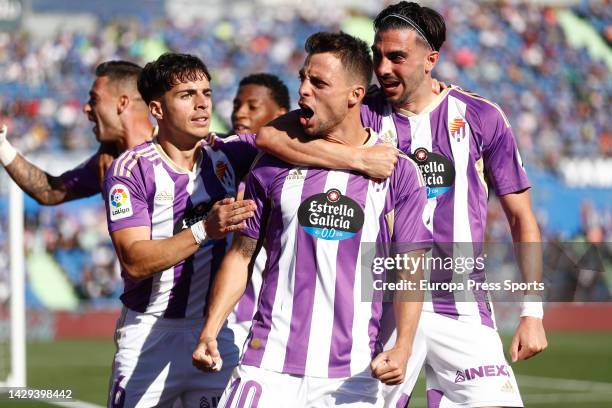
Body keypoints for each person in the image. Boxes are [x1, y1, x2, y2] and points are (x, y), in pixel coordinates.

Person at [255, 2, 547, 407]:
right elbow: (269, 138)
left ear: (431, 59)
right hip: (382, 309)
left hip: (462, 306)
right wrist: (356, 158)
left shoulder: (481, 116)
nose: (383, 67)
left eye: (397, 57)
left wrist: (533, 310)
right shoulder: (363, 111)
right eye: (378, 55)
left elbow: (522, 220)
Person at [192, 31, 432, 407]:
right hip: (266, 364)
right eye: (303, 78)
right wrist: (210, 329)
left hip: (350, 376)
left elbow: (410, 268)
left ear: (355, 95)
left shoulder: (397, 171)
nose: (303, 90)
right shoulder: (272, 165)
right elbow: (241, 255)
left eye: (319, 83)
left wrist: (402, 346)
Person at [103, 53, 259, 408]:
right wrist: (205, 230)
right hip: (149, 334)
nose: (203, 103)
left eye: (206, 92)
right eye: (187, 95)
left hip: (214, 330)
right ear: (156, 109)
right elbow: (135, 261)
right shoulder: (130, 170)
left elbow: (284, 136)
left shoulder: (227, 154)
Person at [0, 61, 154, 203]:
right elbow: (50, 191)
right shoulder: (109, 160)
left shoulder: (172, 153)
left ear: (122, 103)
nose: (85, 108)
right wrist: (2, 146)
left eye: (94, 100)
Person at [228, 73, 291, 352]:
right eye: (236, 105)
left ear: (281, 115)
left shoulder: (296, 171)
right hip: (224, 317)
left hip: (267, 321)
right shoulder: (221, 156)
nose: (240, 113)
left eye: (252, 107)